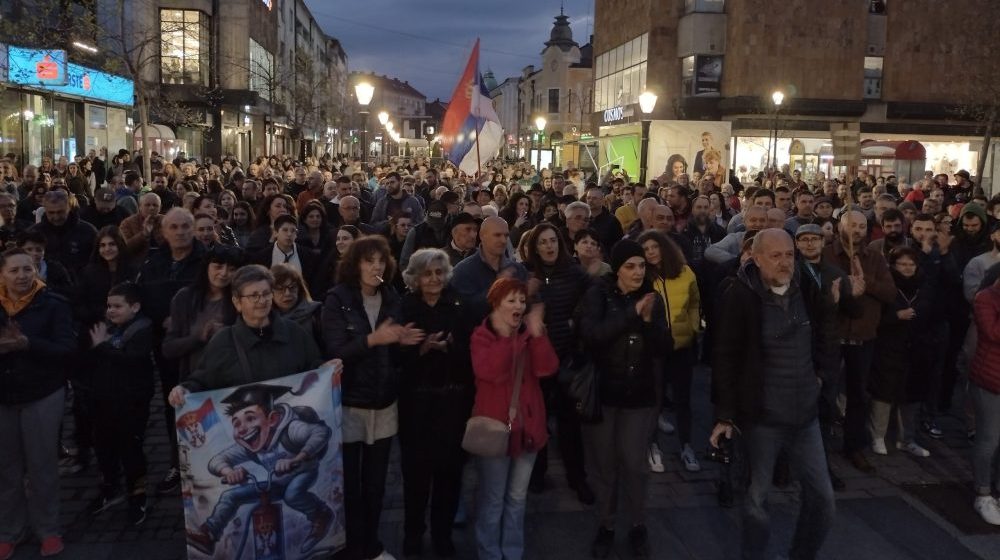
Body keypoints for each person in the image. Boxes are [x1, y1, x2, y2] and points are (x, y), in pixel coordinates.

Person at [168, 265, 330, 556]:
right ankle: (208, 534)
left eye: (266, 294)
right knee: (232, 499)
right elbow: (202, 378)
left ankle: (319, 517)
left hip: (293, 475)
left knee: (296, 497)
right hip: (264, 479)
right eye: (253, 295)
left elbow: (314, 376)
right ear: (237, 301)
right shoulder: (223, 342)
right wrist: (185, 390)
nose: (261, 301)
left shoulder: (295, 334)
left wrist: (327, 372)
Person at [710, 229, 836, 560]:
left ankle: (801, 554)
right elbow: (724, 356)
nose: (784, 262)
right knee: (755, 499)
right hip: (762, 418)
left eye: (789, 255)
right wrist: (725, 414)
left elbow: (826, 332)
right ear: (756, 257)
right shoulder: (741, 295)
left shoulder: (807, 286)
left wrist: (822, 375)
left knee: (823, 499)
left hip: (805, 414)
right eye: (776, 256)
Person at [321, 236, 424, 560]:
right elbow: (336, 351)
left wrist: (407, 344)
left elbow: (395, 355)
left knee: (376, 485)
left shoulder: (391, 297)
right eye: (369, 260)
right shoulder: (338, 299)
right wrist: (373, 339)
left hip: (383, 402)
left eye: (380, 260)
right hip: (350, 402)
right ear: (356, 264)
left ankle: (371, 545)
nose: (376, 266)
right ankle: (352, 545)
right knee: (350, 485)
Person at [580, 239, 670, 559]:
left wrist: (647, 324)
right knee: (604, 466)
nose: (637, 271)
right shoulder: (598, 294)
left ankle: (637, 524)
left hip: (639, 395)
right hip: (603, 393)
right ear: (617, 269)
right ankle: (606, 524)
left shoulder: (653, 299)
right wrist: (632, 314)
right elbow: (592, 337)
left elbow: (664, 346)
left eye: (642, 265)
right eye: (630, 266)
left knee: (634, 463)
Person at [470, 277, 558, 560]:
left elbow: (547, 368)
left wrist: (537, 335)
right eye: (511, 300)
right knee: (493, 499)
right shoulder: (481, 335)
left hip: (528, 427)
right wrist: (511, 338)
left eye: (522, 300)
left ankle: (512, 550)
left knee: (517, 498)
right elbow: (490, 371)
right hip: (495, 429)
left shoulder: (529, 333)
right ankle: (489, 552)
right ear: (496, 304)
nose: (518, 306)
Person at [397, 249, 474, 557]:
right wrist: (420, 351)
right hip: (416, 404)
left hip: (452, 402)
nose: (434, 279)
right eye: (427, 273)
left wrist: (451, 349)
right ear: (415, 278)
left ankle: (442, 534)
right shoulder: (404, 307)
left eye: (439, 273)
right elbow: (393, 357)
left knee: (449, 474)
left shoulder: (459, 304)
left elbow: (472, 351)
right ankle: (413, 534)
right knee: (416, 477)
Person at [0, 248, 76, 558]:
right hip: (3, 396)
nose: (21, 276)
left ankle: (49, 529)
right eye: (14, 271)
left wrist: (28, 344)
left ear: (37, 271)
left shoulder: (53, 304)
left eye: (27, 270)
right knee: (7, 469)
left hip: (42, 394)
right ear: (2, 275)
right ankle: (9, 530)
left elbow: (66, 349)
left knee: (42, 466)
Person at [520, 223, 595, 500]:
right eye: (543, 242)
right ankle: (537, 474)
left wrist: (579, 322)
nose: (549, 246)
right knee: (537, 420)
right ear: (534, 247)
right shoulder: (527, 273)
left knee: (570, 423)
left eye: (553, 241)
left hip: (566, 357)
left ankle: (577, 478)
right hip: (536, 360)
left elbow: (595, 294)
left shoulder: (573, 272)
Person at [823, 211, 897, 473]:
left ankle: (853, 446)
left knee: (858, 394)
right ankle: (819, 446)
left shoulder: (874, 258)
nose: (856, 230)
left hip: (863, 337)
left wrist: (868, 282)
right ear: (840, 226)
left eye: (862, 226)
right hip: (832, 336)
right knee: (826, 392)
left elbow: (890, 293)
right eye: (852, 225)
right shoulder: (827, 254)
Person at [84, 282, 155, 525]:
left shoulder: (142, 329)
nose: (111, 311)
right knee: (104, 446)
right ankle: (110, 485)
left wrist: (102, 347)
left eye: (117, 306)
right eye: (109, 306)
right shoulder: (106, 327)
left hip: (132, 401)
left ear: (134, 307)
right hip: (104, 399)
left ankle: (138, 494)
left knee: (131, 448)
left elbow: (131, 360)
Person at [637, 231, 702, 474]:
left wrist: (693, 327)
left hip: (681, 345)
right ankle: (652, 446)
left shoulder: (685, 273)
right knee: (654, 399)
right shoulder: (642, 277)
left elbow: (695, 302)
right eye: (646, 248)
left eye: (655, 246)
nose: (651, 252)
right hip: (654, 348)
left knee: (684, 400)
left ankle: (687, 445)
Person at [868, 247, 941, 459]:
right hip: (889, 346)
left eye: (911, 264)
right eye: (902, 264)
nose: (907, 268)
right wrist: (896, 316)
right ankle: (878, 436)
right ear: (893, 265)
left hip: (917, 348)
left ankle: (906, 439)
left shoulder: (926, 286)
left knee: (912, 395)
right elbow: (876, 318)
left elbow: (934, 315)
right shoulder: (888, 286)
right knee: (884, 392)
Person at [161, 245, 243, 384]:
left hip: (231, 379)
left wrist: (227, 334)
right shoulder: (185, 298)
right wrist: (198, 337)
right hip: (194, 381)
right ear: (206, 267)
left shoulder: (241, 299)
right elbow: (168, 348)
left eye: (232, 269)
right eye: (218, 266)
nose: (224, 273)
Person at [970, 265, 1000, 525]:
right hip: (990, 379)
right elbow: (992, 333)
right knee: (989, 439)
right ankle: (982, 492)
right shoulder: (986, 298)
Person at [270, 263, 322, 344]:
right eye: (280, 289)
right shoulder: (265, 318)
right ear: (270, 292)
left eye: (292, 287)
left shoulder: (316, 313)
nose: (287, 293)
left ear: (299, 288)